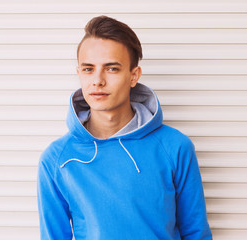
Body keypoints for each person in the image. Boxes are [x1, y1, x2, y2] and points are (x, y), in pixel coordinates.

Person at [37, 15, 212, 240]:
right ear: (79, 73)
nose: (97, 80)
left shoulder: (175, 147)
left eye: (111, 69)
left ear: (133, 76)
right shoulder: (56, 158)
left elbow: (196, 233)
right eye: (88, 69)